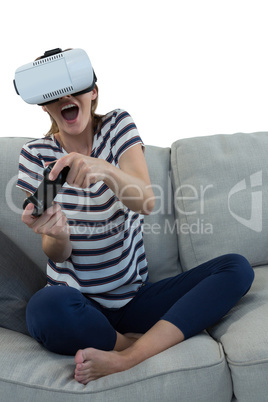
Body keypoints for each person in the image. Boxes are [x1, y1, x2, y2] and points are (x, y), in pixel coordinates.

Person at [17, 49, 254, 385]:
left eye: (76, 86)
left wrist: (105, 170)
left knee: (236, 269)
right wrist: (57, 234)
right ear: (44, 104)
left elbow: (145, 200)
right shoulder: (34, 154)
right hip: (75, 303)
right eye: (54, 92)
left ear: (93, 92)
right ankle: (129, 342)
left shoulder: (118, 126)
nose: (66, 96)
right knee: (43, 309)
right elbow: (57, 253)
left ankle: (127, 357)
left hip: (135, 300)